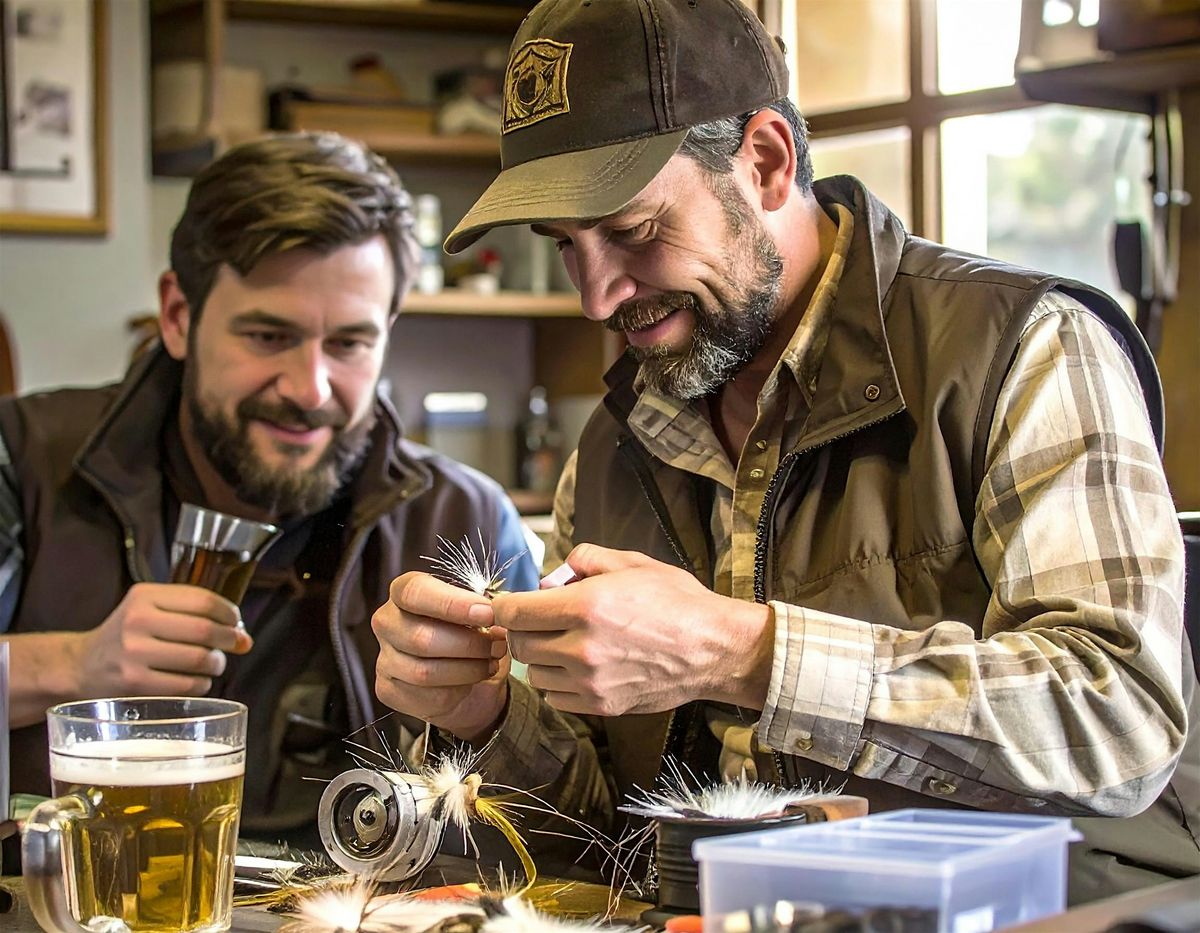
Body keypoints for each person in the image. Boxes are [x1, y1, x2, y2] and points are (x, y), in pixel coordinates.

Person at [371, 0, 1199, 902]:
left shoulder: (1027, 347)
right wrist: (484, 718)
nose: (598, 297)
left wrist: (743, 652)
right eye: (566, 247)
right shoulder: (619, 441)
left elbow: (1119, 720)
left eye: (634, 230)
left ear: (765, 161)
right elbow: (602, 833)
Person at [0, 132, 538, 846]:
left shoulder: (463, 515)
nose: (308, 388)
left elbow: (552, 819)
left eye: (348, 343)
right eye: (267, 336)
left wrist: (493, 721)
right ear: (178, 316)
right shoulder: (25, 456)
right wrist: (73, 664)